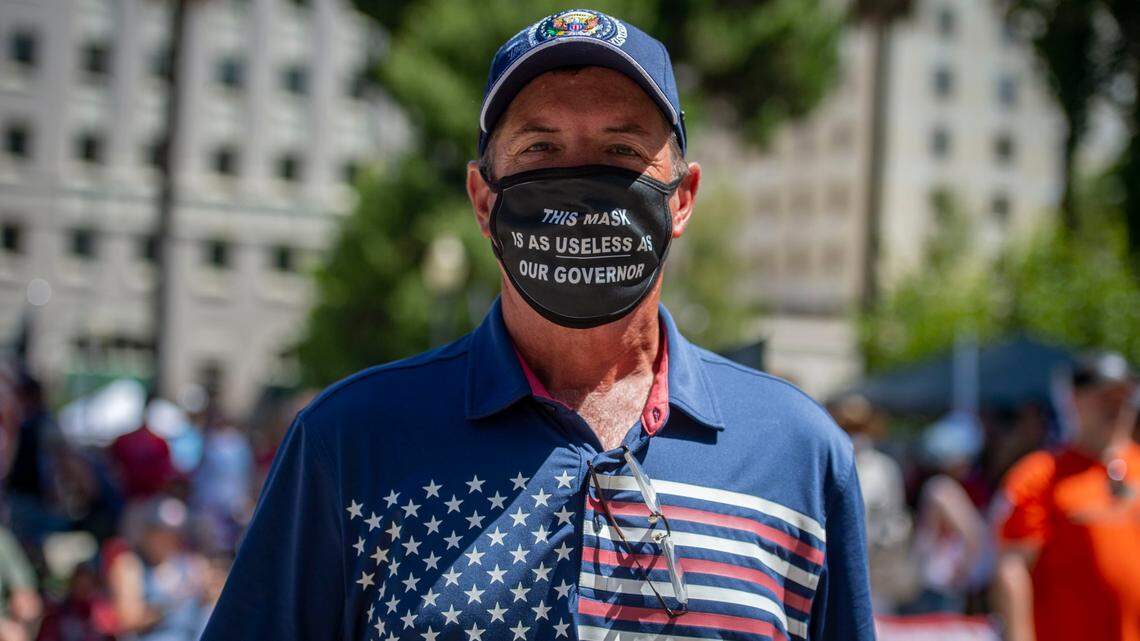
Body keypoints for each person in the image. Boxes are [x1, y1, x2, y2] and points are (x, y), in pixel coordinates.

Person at [200, 8, 874, 641]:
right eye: (540, 148)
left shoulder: (800, 455)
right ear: (483, 199)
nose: (578, 182)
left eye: (619, 151)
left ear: (683, 198)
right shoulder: (351, 443)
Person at [993, 351, 1140, 641]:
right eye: (1104, 396)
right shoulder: (1039, 476)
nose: (1116, 407)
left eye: (1123, 396)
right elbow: (1013, 568)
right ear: (1074, 400)